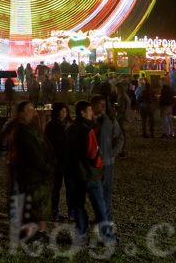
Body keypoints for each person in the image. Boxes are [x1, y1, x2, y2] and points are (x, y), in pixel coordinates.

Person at [66, 100, 115, 245]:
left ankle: (81, 234)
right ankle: (106, 236)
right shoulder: (88, 130)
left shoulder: (69, 129)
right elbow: (92, 153)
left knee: (79, 205)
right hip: (90, 175)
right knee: (100, 207)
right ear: (82, 113)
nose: (91, 113)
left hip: (75, 174)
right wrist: (99, 166)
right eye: (89, 110)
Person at [6, 100, 53, 238]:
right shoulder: (21, 129)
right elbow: (31, 151)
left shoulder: (30, 127)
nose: (31, 111)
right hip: (30, 171)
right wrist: (44, 165)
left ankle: (36, 230)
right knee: (30, 202)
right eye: (28, 109)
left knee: (35, 202)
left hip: (36, 171)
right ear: (20, 113)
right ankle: (27, 231)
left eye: (32, 108)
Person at [90, 95, 124, 225]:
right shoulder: (92, 121)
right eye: (100, 104)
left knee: (105, 189)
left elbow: (120, 138)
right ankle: (101, 217)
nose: (103, 107)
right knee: (97, 190)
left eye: (104, 104)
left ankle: (106, 218)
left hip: (106, 161)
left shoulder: (109, 120)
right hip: (95, 161)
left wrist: (112, 152)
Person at [46, 102, 72, 222]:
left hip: (68, 159)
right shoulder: (51, 125)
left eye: (65, 111)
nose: (63, 114)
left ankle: (71, 210)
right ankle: (54, 210)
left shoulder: (70, 124)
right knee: (56, 186)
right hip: (57, 159)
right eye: (61, 111)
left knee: (70, 186)